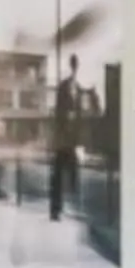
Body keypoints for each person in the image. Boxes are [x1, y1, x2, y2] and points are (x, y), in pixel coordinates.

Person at [48, 52, 83, 222]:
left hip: (69, 139)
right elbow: (60, 112)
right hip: (63, 139)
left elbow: (77, 113)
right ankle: (56, 209)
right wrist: (66, 118)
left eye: (76, 64)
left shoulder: (76, 86)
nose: (75, 67)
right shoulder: (64, 86)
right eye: (74, 64)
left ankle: (61, 207)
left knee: (68, 173)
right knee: (59, 174)